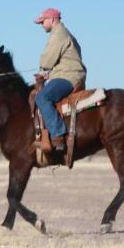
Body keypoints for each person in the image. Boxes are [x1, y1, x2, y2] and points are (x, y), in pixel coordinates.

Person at [33, 8, 86, 151]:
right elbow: (66, 61)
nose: (41, 25)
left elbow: (47, 61)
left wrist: (44, 68)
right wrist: (50, 75)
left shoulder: (58, 34)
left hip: (68, 77)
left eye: (42, 22)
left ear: (52, 19)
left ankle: (58, 134)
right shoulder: (66, 34)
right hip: (69, 73)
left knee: (42, 98)